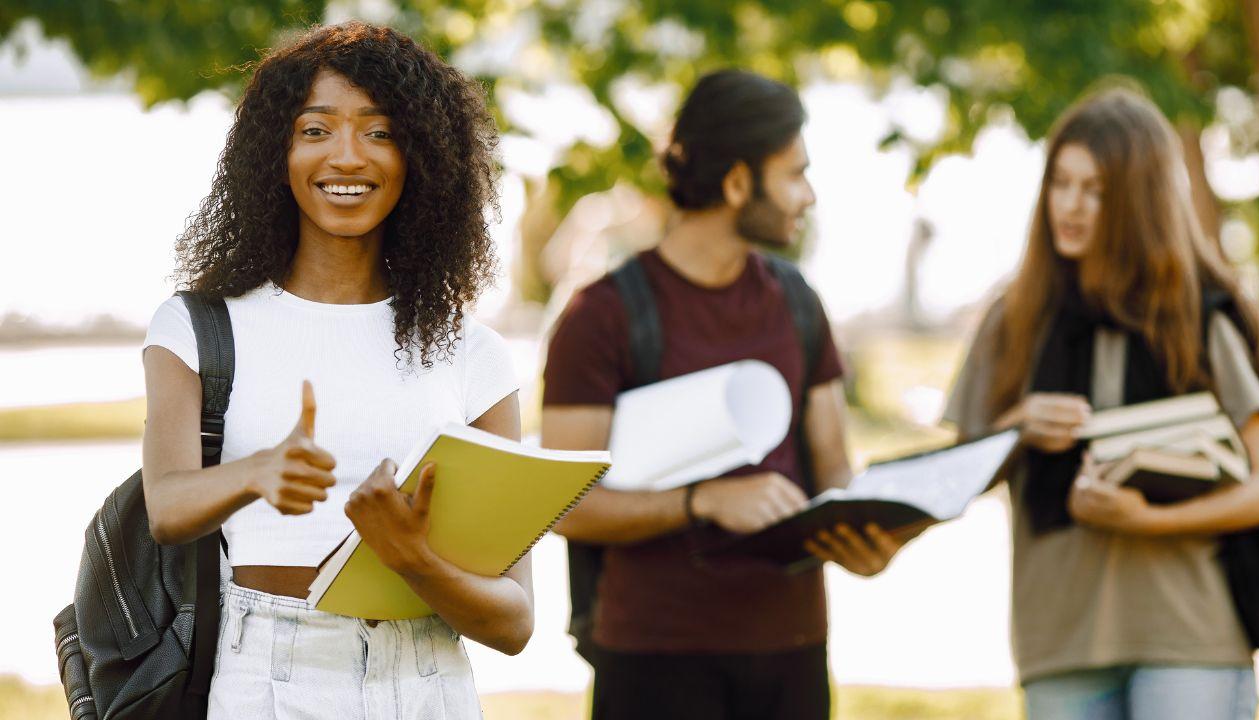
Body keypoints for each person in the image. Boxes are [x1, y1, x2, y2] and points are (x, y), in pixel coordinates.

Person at [140, 22, 530, 718]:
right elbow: (167, 508)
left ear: (423, 158)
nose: (346, 157)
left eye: (379, 132)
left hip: (427, 679)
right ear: (275, 152)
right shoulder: (200, 327)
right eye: (315, 130)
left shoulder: (475, 355)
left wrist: (411, 557)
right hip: (267, 674)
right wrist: (256, 472)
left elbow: (514, 621)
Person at [541, 69, 905, 720]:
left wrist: (868, 535)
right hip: (653, 664)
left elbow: (833, 472)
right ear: (738, 182)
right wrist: (705, 500)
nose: (810, 195)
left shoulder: (798, 303)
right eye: (795, 173)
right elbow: (562, 505)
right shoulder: (603, 316)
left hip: (792, 659)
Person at [944, 86, 1259, 720]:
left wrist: (1148, 522)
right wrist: (1015, 429)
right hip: (1059, 644)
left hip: (1191, 639)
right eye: (1061, 184)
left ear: (1139, 199)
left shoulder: (1203, 317)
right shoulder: (1011, 321)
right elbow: (952, 477)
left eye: (1096, 190)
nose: (1070, 207)